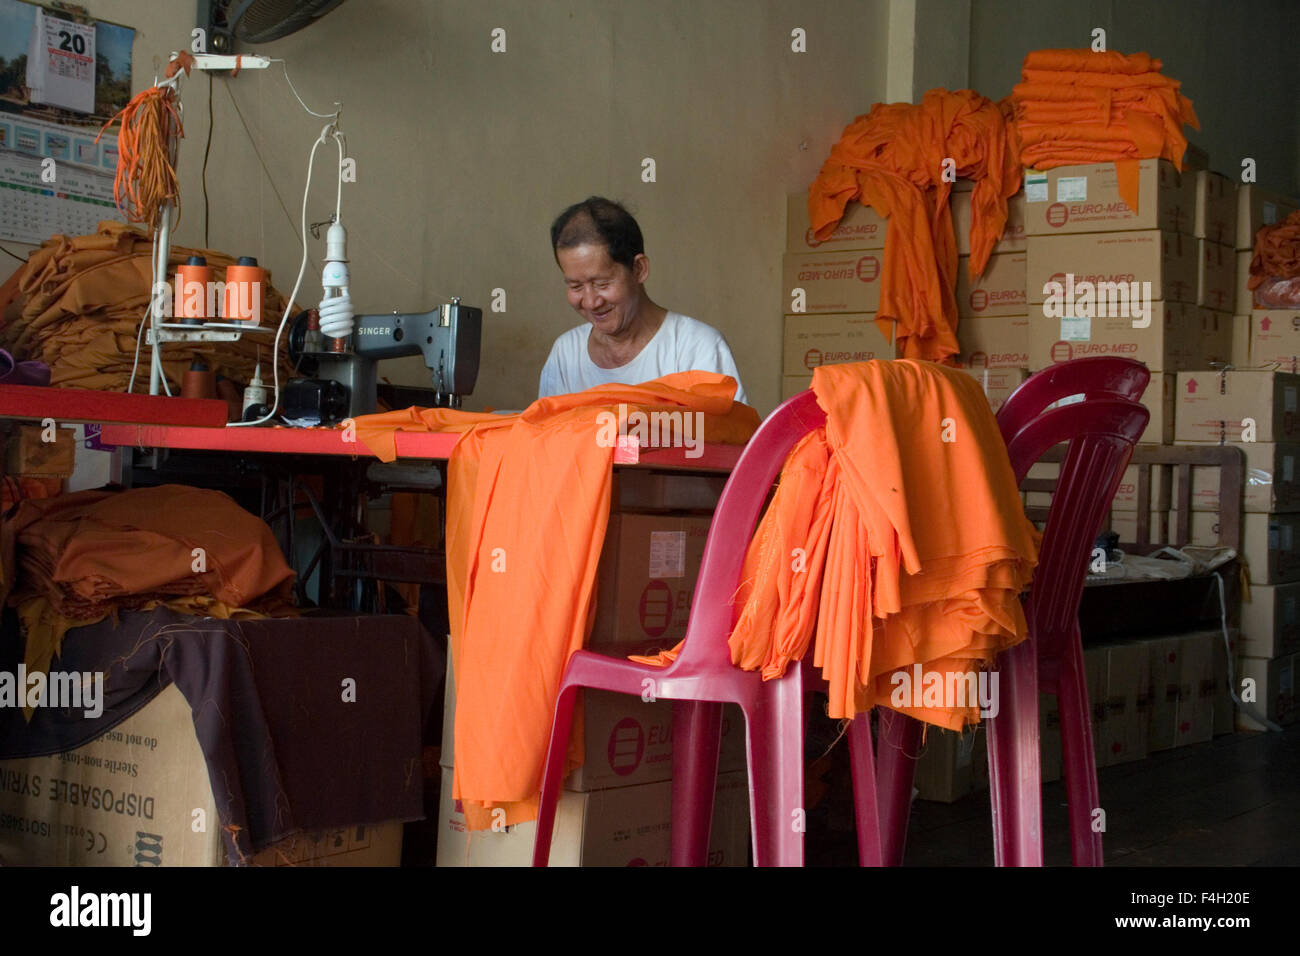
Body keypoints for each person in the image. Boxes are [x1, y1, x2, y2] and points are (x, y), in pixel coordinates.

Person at [538, 197, 747, 403]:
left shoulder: (697, 348)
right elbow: (547, 434)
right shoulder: (565, 354)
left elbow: (726, 434)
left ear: (639, 269)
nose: (591, 302)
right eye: (575, 286)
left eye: (602, 284)